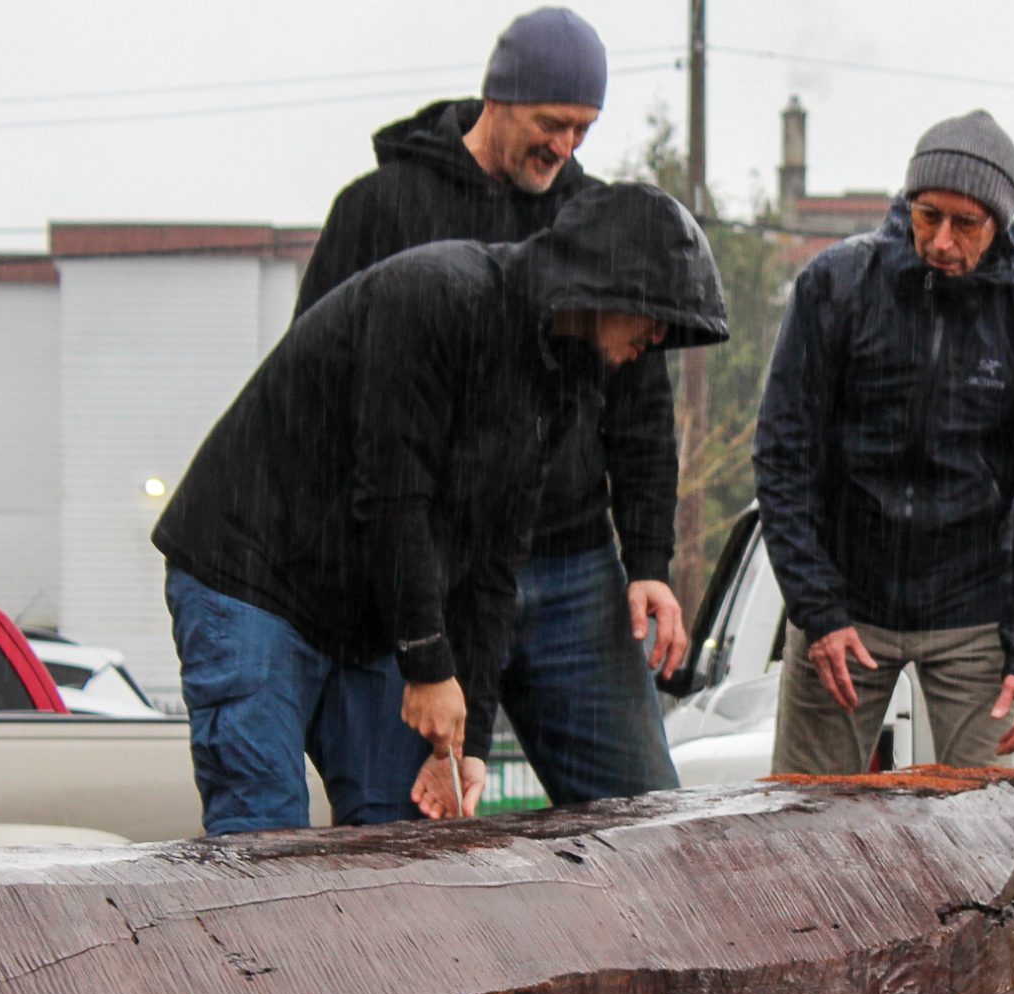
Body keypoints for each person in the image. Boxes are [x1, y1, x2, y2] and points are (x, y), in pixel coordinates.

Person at [153, 183, 728, 835]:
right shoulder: (436, 295)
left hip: (361, 599)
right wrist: (428, 666)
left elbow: (493, 568)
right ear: (609, 282)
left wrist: (468, 742)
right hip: (252, 571)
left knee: (400, 830)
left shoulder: (559, 386)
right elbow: (394, 495)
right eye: (655, 315)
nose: (657, 338)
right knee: (263, 827)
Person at [293, 6, 687, 807]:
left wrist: (648, 557)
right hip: (423, 572)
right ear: (497, 98)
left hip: (570, 563)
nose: (565, 147)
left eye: (583, 130)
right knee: (401, 834)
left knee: (645, 816)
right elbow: (318, 392)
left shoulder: (598, 224)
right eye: (551, 123)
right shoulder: (380, 210)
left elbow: (641, 409)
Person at [755, 110, 1014, 774]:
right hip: (845, 598)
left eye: (965, 224)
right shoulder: (835, 287)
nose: (940, 239)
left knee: (989, 835)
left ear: (1000, 224)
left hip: (973, 610)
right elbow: (782, 452)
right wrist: (816, 606)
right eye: (927, 214)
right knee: (800, 828)